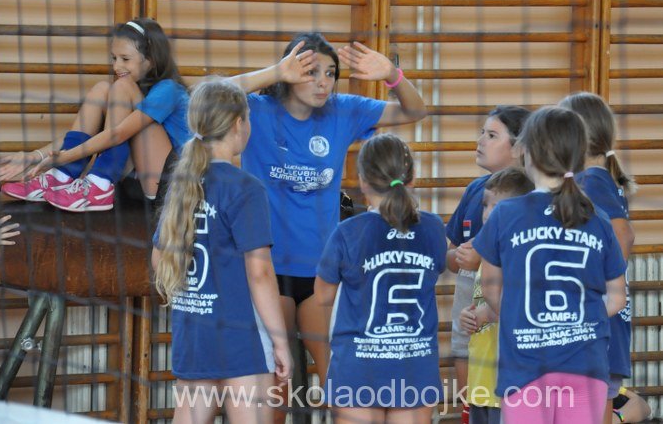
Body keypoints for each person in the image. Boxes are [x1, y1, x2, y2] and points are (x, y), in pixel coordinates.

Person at [228, 32, 427, 407]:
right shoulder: (257, 110)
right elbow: (207, 97)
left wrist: (392, 74)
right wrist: (275, 72)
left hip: (323, 273)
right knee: (275, 386)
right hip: (267, 271)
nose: (323, 82)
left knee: (339, 378)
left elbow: (415, 111)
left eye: (330, 73)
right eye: (311, 72)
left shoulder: (343, 110)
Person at [473, 107, 628, 423]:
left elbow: (490, 289)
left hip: (526, 365)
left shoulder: (506, 214)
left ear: (527, 152)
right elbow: (617, 299)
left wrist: (524, 318)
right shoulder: (597, 218)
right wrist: (575, 322)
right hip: (585, 364)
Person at [152, 80, 291, 424]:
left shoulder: (183, 183)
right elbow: (260, 273)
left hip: (193, 333)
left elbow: (159, 259)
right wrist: (280, 341)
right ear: (238, 124)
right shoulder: (245, 188)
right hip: (240, 336)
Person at [0, 18, 190, 212]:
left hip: (170, 188)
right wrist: (35, 156)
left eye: (125, 59)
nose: (116, 66)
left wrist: (65, 157)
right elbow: (97, 134)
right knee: (102, 89)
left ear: (151, 60)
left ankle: (100, 184)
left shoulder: (169, 89)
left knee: (120, 87)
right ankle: (60, 177)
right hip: (137, 183)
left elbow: (118, 134)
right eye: (114, 58)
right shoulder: (134, 90)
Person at [314, 133, 446, 424]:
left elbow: (322, 296)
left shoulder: (348, 232)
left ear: (363, 181)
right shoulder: (434, 228)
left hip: (359, 366)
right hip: (414, 365)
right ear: (412, 178)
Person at [559, 91, 643, 424]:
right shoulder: (596, 179)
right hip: (600, 315)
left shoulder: (591, 180)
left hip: (598, 317)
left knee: (593, 402)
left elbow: (624, 235)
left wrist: (598, 290)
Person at [445, 105, 530, 419]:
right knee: (464, 351)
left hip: (509, 311)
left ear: (519, 147)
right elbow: (450, 256)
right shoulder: (475, 190)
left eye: (492, 135)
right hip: (471, 296)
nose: (480, 140)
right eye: (482, 132)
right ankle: (469, 413)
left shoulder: (532, 195)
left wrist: (483, 255)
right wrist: (460, 257)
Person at [459, 168, 534, 424]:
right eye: (485, 205)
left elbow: (525, 307)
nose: (488, 213)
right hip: (481, 377)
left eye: (497, 206)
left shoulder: (521, 254)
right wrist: (469, 315)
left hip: (508, 380)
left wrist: (488, 313)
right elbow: (481, 301)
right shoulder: (487, 254)